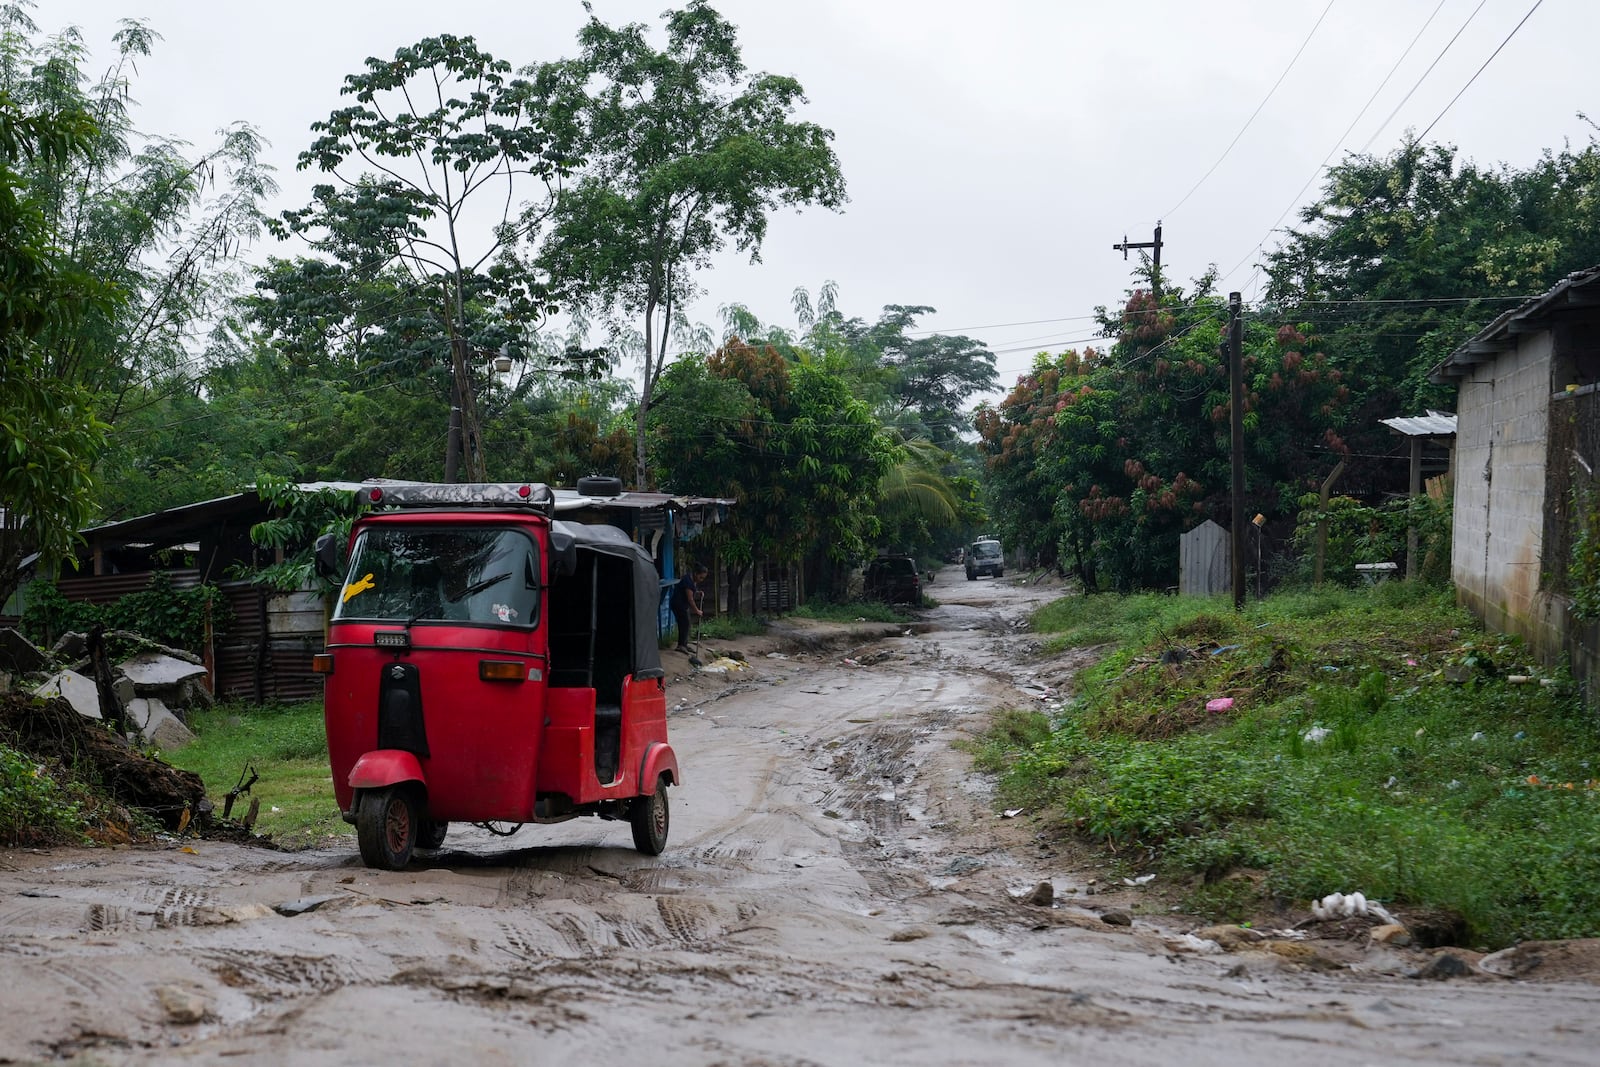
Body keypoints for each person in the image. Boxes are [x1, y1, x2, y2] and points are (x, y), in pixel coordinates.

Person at [670, 564, 708, 652]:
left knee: (686, 623)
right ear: (695, 573)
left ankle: (684, 644)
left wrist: (698, 592)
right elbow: (690, 599)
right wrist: (697, 611)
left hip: (683, 604)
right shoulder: (688, 581)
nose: (701, 580)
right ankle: (681, 646)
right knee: (684, 623)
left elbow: (691, 591)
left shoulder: (691, 580)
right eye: (700, 577)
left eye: (703, 578)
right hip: (678, 604)